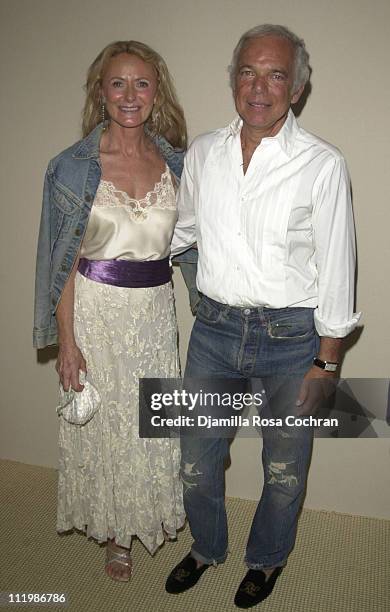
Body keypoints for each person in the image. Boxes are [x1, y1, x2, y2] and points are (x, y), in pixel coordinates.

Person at [166, 24, 360, 608]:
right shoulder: (202, 153)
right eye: (247, 72)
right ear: (233, 80)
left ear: (296, 88)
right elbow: (182, 235)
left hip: (291, 340)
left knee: (284, 472)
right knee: (196, 462)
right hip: (214, 333)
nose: (259, 86)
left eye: (276, 74)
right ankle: (205, 548)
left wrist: (327, 361)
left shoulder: (323, 164)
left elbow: (338, 268)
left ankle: (268, 560)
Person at [33, 40, 187, 582]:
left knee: (149, 423)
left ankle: (147, 513)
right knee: (107, 428)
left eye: (141, 83)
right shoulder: (72, 168)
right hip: (95, 311)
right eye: (117, 83)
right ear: (101, 92)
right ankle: (117, 535)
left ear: (156, 92)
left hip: (154, 315)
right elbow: (62, 262)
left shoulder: (177, 163)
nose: (130, 94)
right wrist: (67, 342)